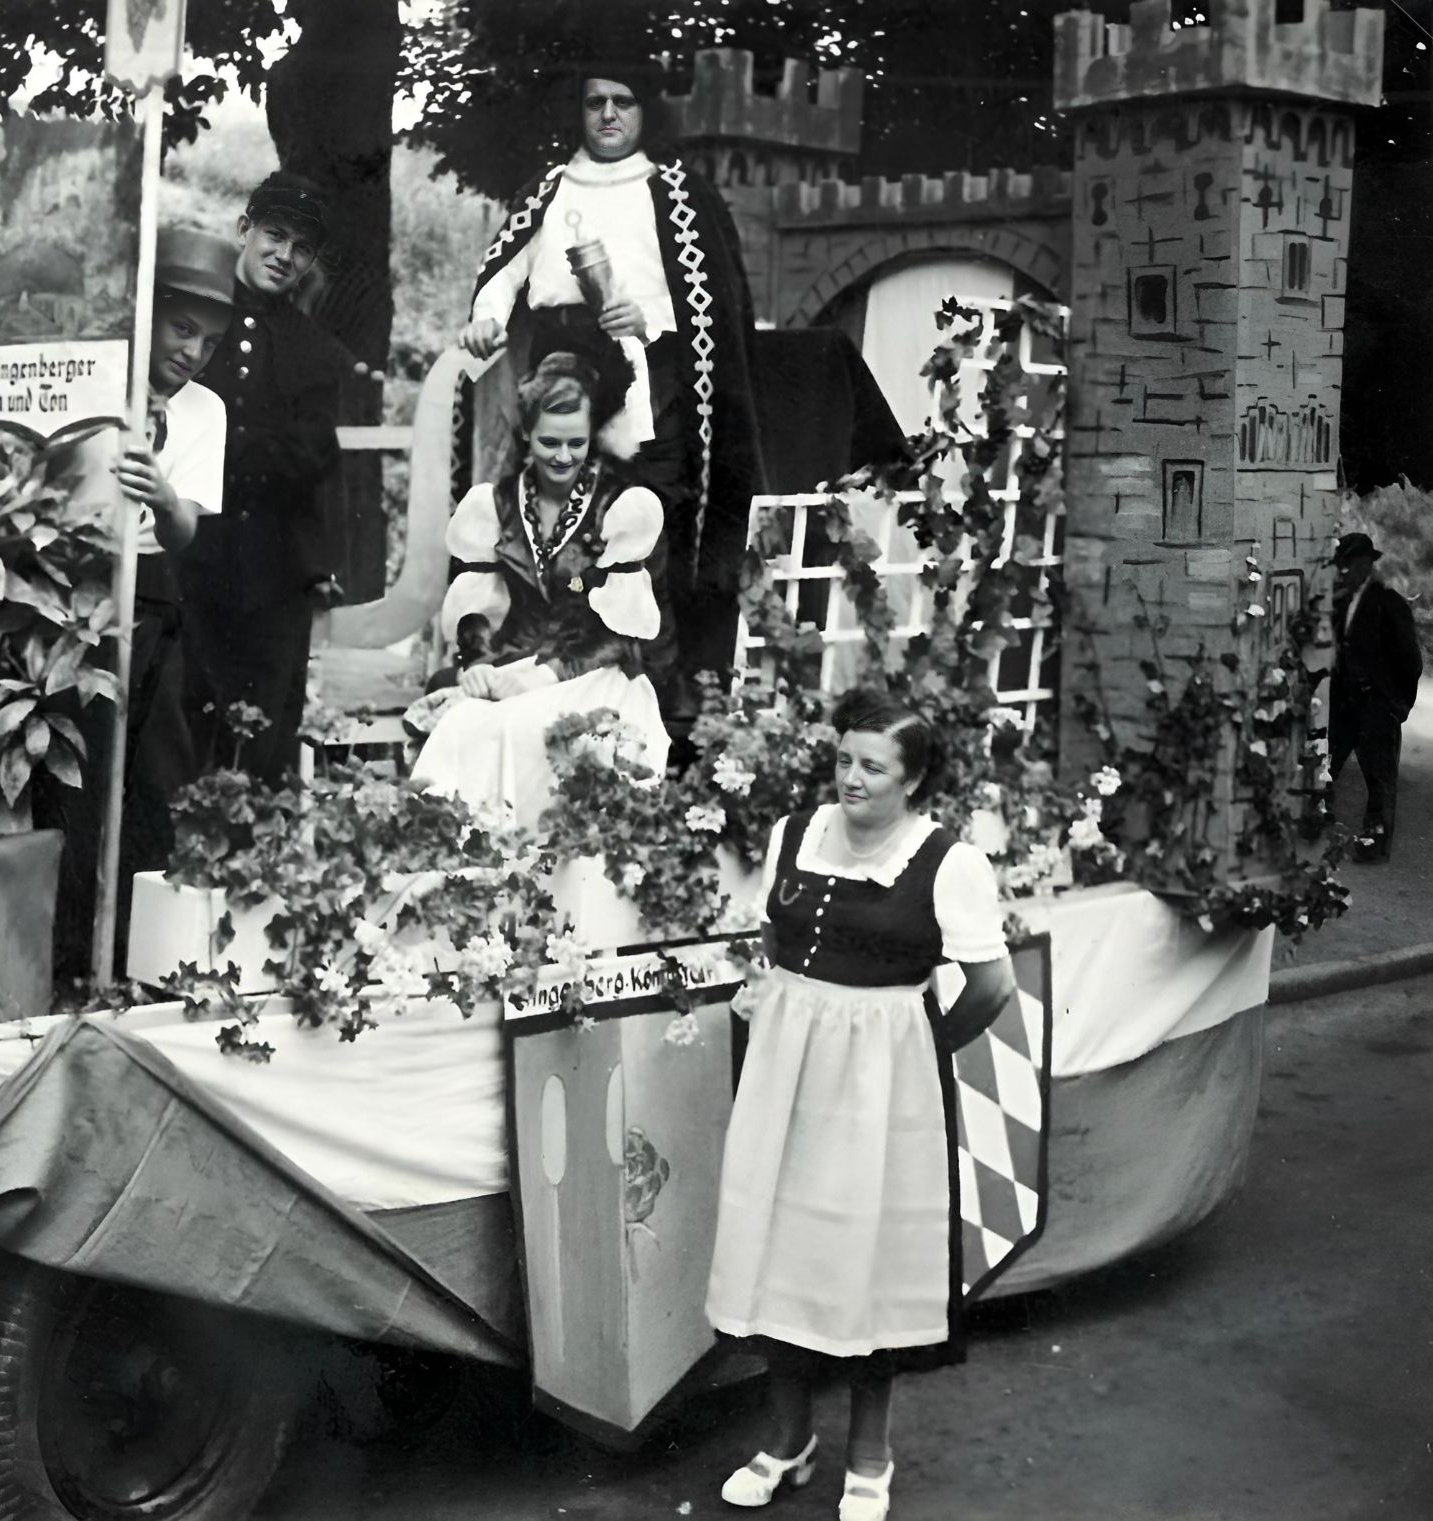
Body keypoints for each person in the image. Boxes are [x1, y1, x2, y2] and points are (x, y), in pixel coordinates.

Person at [704, 689, 1020, 1519]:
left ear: (913, 780)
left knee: (865, 1262)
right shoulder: (794, 833)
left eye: (872, 766)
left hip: (885, 1085)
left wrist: (918, 1050)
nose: (851, 777)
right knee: (781, 1245)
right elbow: (775, 939)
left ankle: (870, 1457)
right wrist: (777, 998)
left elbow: (993, 986)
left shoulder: (948, 862)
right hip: (789, 1068)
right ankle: (787, 1441)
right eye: (844, 758)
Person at [460, 55, 763, 699]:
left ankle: (654, 693)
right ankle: (553, 679)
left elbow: (707, 303)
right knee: (558, 524)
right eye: (596, 102)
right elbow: (506, 273)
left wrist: (646, 316)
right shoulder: (551, 187)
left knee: (644, 523)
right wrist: (486, 318)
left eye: (622, 102)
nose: (607, 115)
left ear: (645, 112)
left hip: (648, 386)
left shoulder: (676, 192)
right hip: (561, 375)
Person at [48, 225, 233, 976]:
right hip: (74, 590)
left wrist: (160, 491)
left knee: (156, 779)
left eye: (209, 342)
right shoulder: (94, 381)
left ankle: (141, 962)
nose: (191, 352)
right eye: (181, 328)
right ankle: (65, 958)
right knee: (74, 780)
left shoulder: (205, 412)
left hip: (153, 597)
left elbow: (188, 529)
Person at [407, 351, 668, 827]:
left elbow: (622, 634)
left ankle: (533, 857)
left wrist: (546, 675)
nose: (563, 457)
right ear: (527, 433)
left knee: (526, 727)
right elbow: (476, 606)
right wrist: (479, 665)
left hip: (591, 670)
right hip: (512, 661)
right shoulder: (498, 504)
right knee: (464, 723)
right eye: (549, 442)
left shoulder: (620, 507)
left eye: (577, 443)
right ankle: (466, 858)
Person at [183, 171, 348, 783]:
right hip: (191, 560)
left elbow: (310, 454)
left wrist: (225, 446)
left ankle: (256, 874)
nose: (284, 256)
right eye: (274, 235)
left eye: (301, 248)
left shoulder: (314, 350)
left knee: (264, 741)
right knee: (184, 727)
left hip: (275, 573)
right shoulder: (197, 318)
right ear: (244, 230)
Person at [1330, 531, 1420, 863]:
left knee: (1380, 783)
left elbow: (1410, 661)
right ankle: (1315, 827)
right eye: (1340, 566)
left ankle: (1373, 846)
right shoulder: (1339, 603)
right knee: (1326, 769)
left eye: (1347, 566)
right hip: (1344, 709)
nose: (1342, 573)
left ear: (1365, 566)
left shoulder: (1389, 604)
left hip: (1377, 708)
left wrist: (1398, 707)